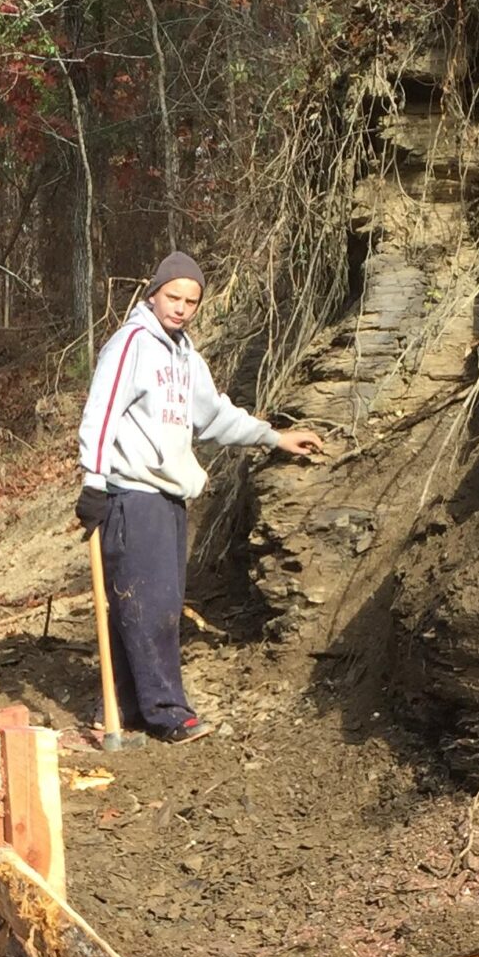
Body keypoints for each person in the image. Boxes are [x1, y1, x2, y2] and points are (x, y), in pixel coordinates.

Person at [75, 250, 323, 742]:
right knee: (151, 605)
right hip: (131, 495)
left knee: (143, 604)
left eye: (191, 300)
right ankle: (167, 712)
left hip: (170, 497)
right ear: (154, 293)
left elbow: (214, 416)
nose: (182, 307)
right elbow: (100, 413)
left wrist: (274, 437)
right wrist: (94, 481)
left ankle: (124, 708)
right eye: (174, 297)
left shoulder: (186, 356)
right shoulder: (130, 345)